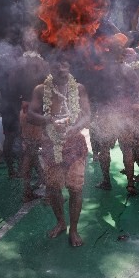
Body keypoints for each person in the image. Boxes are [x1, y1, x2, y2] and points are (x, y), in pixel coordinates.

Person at [25, 53, 91, 247]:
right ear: (50, 68)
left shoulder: (79, 89)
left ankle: (74, 229)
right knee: (53, 188)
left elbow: (87, 115)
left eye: (64, 65)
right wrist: (49, 120)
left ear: (70, 67)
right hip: (50, 144)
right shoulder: (41, 90)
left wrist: (75, 126)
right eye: (56, 66)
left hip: (75, 144)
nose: (61, 69)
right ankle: (61, 223)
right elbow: (30, 114)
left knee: (75, 188)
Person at [91, 34, 139, 195]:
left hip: (107, 114)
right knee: (127, 149)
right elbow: (136, 95)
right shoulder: (129, 71)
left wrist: (94, 114)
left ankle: (107, 181)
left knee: (104, 149)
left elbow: (96, 96)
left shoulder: (101, 72)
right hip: (125, 114)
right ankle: (130, 184)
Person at [13, 49, 50, 202]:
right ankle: (49, 194)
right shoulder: (38, 77)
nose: (41, 62)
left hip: (24, 112)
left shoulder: (20, 76)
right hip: (35, 114)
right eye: (39, 61)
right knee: (47, 152)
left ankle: (27, 190)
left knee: (30, 152)